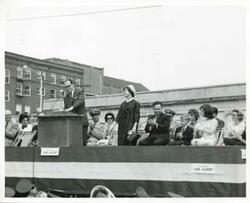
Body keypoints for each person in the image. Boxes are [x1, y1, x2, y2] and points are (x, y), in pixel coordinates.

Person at [63, 79, 89, 145]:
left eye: (68, 86)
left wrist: (72, 107)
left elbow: (80, 101)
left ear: (73, 85)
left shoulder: (80, 92)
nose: (67, 88)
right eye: (66, 87)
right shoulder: (66, 97)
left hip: (82, 122)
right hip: (72, 124)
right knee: (74, 143)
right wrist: (63, 111)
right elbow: (66, 108)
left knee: (83, 143)